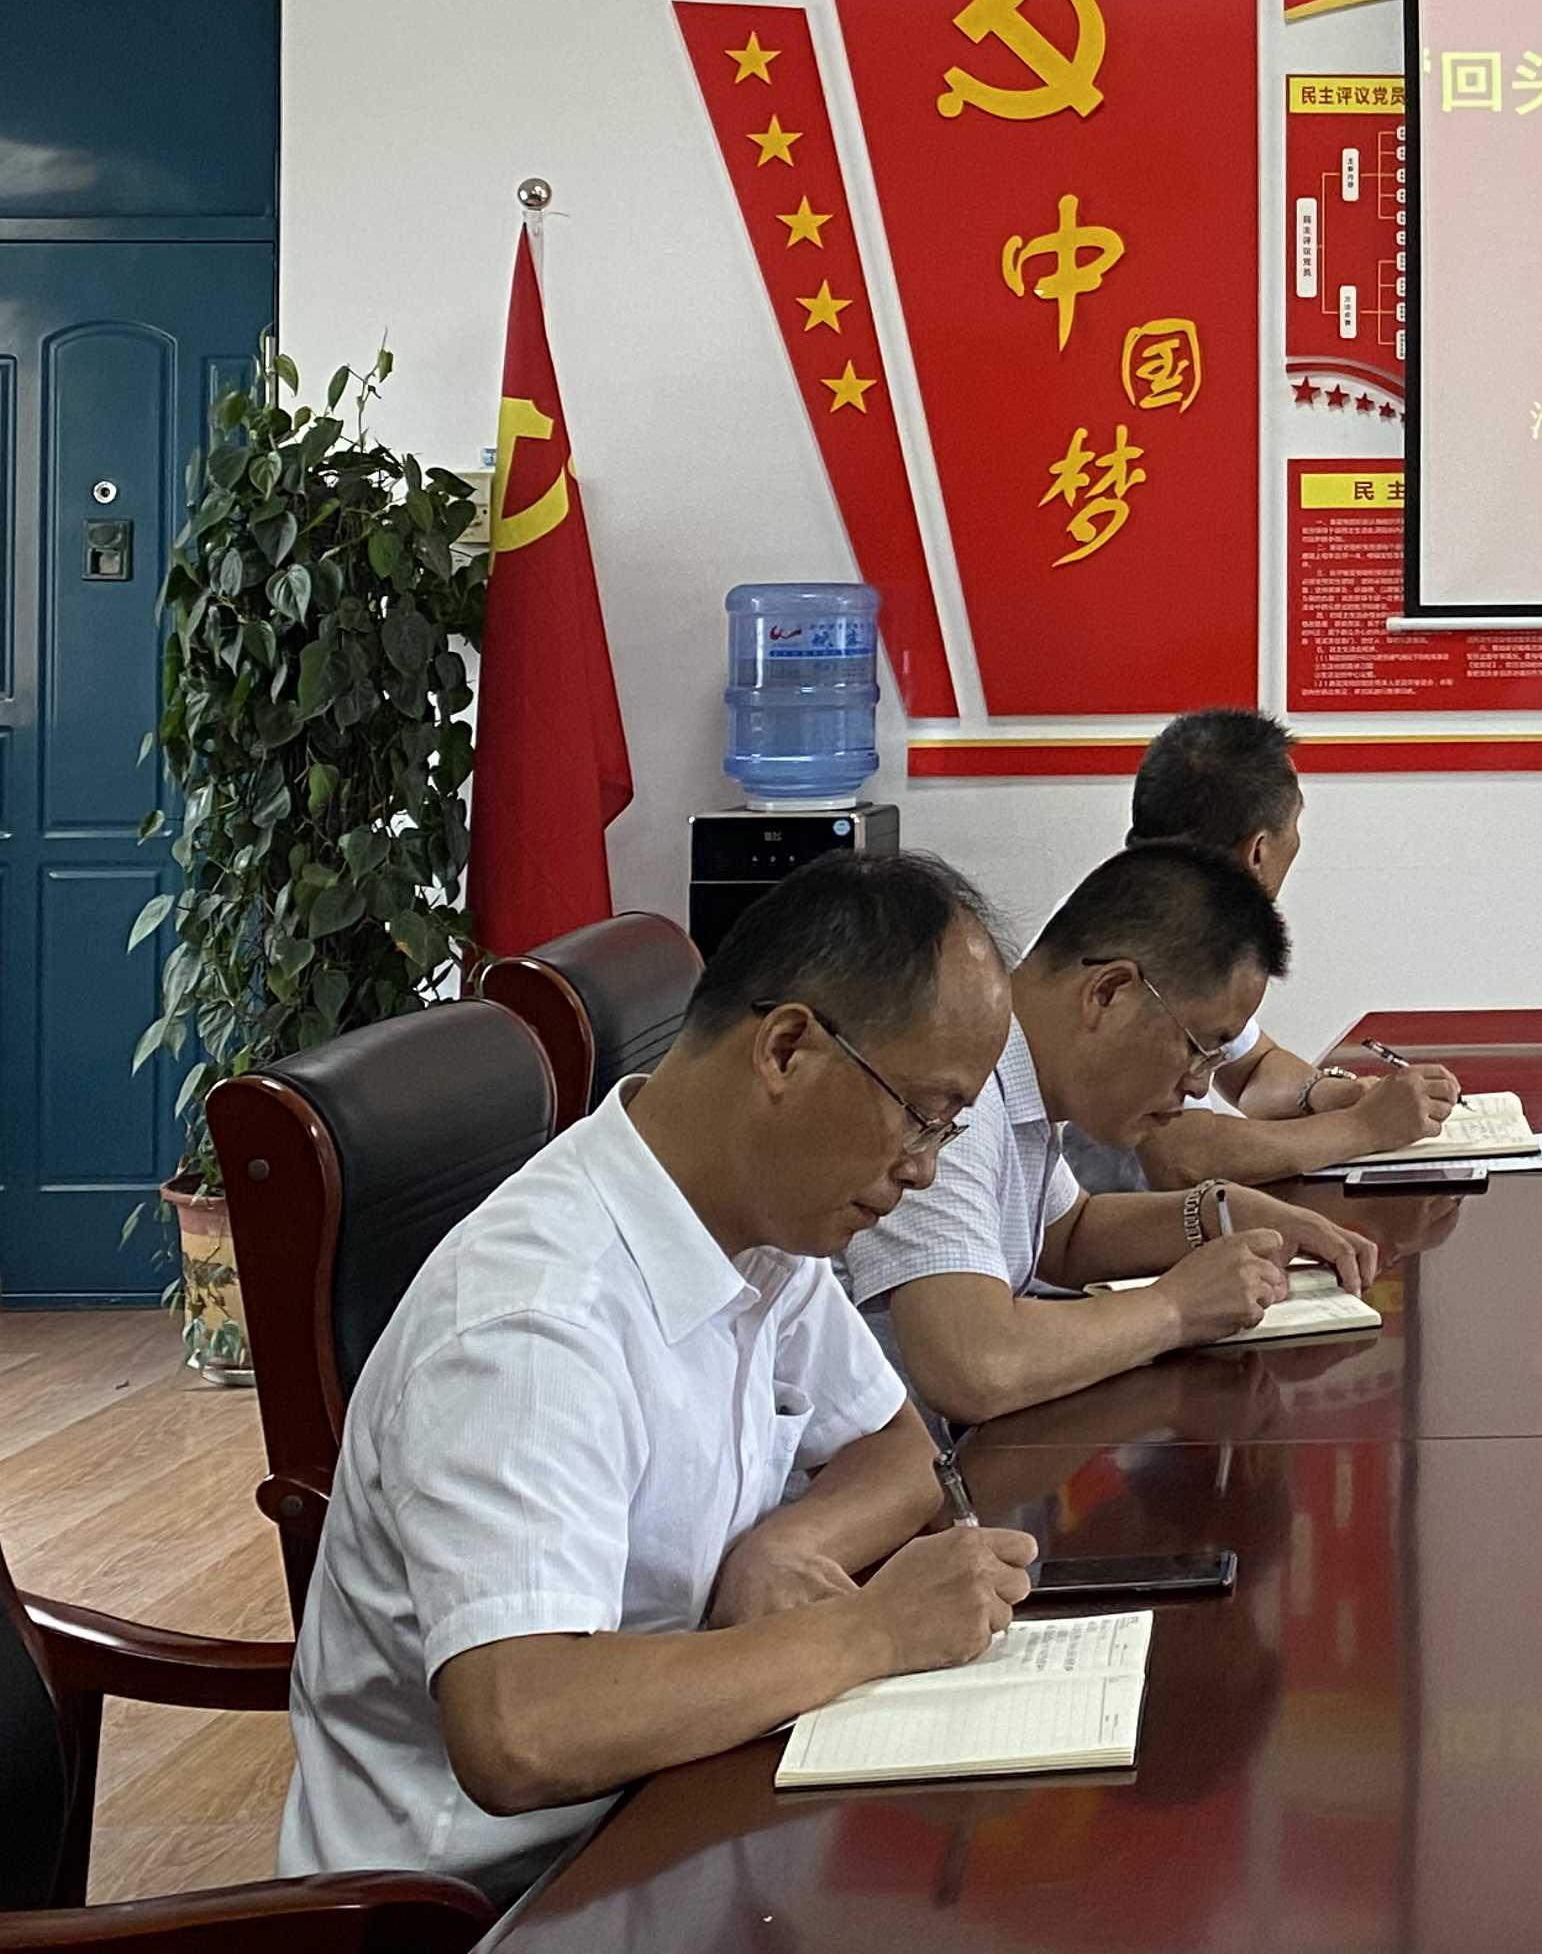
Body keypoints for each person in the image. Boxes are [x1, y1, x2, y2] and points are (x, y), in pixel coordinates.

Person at [280, 851, 1044, 1902]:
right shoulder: (533, 1319)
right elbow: (523, 1728)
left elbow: (900, 1452)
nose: (925, 1168)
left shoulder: (753, 1220)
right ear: (787, 1049)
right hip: (501, 1901)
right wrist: (867, 1631)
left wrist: (787, 1548)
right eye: (921, 1113)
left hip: (678, 1808)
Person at [846, 839, 1384, 1426]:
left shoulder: (1021, 1075)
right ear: (1108, 993)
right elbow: (975, 1365)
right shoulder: (954, 1094)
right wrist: (1175, 1307)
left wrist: (1219, 1212)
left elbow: (1068, 1236)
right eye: (1199, 1048)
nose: (1200, 1085)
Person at [1057, 708, 1461, 1194]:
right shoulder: (1135, 942)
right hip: (1111, 1231)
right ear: (1258, 851)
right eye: (1295, 823)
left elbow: (1251, 1070)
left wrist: (1332, 1094)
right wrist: (1366, 1128)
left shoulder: (1164, 914)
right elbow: (1182, 1157)